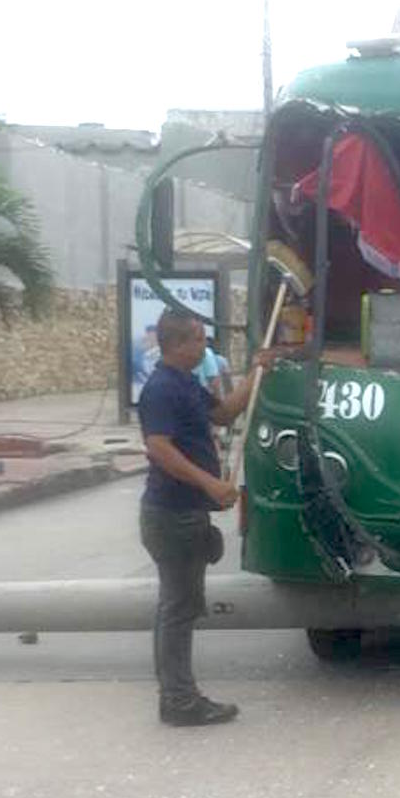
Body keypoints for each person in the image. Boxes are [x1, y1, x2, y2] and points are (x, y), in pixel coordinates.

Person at [138, 308, 270, 727]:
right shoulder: (160, 389)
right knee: (177, 609)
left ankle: (177, 696)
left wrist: (256, 374)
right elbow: (158, 447)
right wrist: (210, 485)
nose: (204, 346)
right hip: (170, 514)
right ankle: (178, 701)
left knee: (182, 606)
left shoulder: (186, 384)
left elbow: (225, 413)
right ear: (177, 344)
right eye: (197, 339)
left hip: (186, 514)